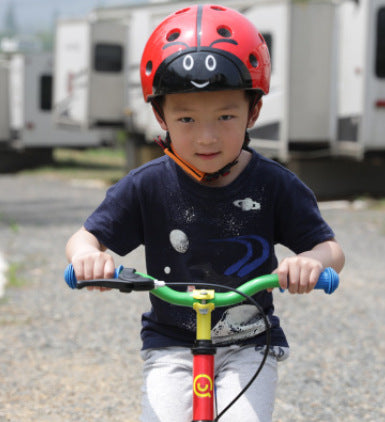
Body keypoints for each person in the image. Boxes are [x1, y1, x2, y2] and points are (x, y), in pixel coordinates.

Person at [66, 4, 345, 421]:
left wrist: (309, 263)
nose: (207, 136)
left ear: (254, 111)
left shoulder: (274, 184)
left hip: (249, 341)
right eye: (187, 118)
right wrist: (88, 257)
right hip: (171, 342)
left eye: (226, 116)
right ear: (161, 115)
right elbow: (83, 238)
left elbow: (330, 250)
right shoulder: (147, 184)